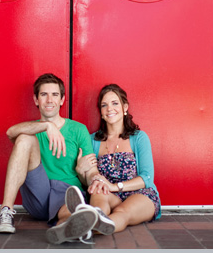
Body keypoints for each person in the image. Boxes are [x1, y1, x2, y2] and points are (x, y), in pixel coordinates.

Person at [0, 73, 110, 245]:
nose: (49, 100)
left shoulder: (78, 129)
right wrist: (47, 126)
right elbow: (10, 132)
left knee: (69, 210)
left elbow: (91, 170)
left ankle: (67, 227)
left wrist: (95, 178)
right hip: (37, 194)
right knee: (24, 138)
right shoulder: (31, 129)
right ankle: (5, 212)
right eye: (43, 94)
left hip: (67, 192)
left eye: (55, 95)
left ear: (62, 100)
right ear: (36, 100)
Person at [68, 83, 161, 234]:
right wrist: (80, 172)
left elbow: (147, 178)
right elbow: (89, 182)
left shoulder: (138, 138)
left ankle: (85, 228)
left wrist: (115, 186)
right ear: (101, 112)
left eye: (115, 103)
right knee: (97, 191)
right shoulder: (92, 140)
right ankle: (90, 222)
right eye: (104, 105)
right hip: (108, 195)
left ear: (125, 107)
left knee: (122, 213)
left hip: (140, 194)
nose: (109, 108)